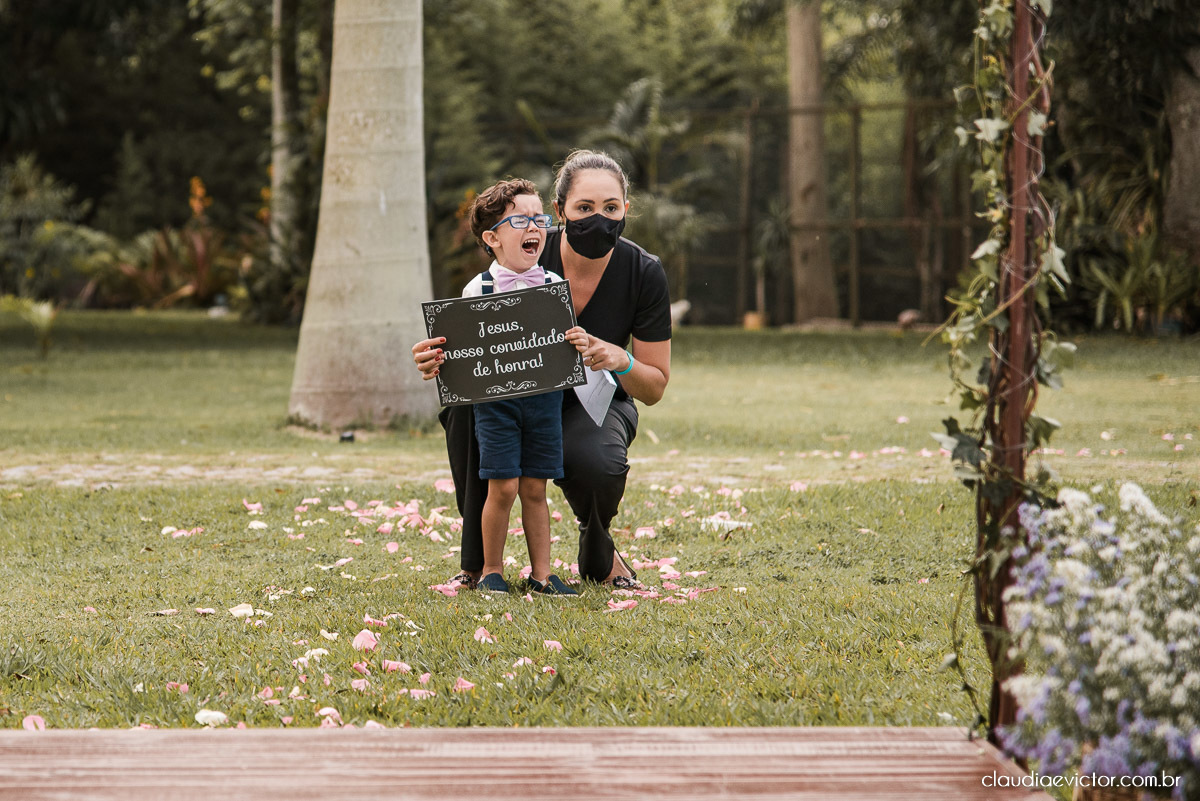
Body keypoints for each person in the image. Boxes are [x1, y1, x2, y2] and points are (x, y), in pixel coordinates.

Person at [413, 150, 672, 590]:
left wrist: (619, 357)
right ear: (560, 211)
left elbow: (654, 387)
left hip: (595, 401)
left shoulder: (643, 271)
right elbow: (480, 341)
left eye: (611, 208)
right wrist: (437, 357)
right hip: (517, 395)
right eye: (584, 208)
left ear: (626, 209)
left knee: (598, 462)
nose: (599, 218)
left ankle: (598, 545)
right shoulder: (527, 249)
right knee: (465, 412)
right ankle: (478, 563)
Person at [458, 178, 576, 596]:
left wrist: (576, 341)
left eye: (538, 219)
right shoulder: (478, 290)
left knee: (535, 488)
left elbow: (563, 342)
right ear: (492, 238)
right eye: (520, 220)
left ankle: (542, 575)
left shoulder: (552, 287)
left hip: (544, 403)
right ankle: (491, 570)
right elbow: (464, 349)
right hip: (496, 405)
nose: (534, 228)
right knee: (503, 485)